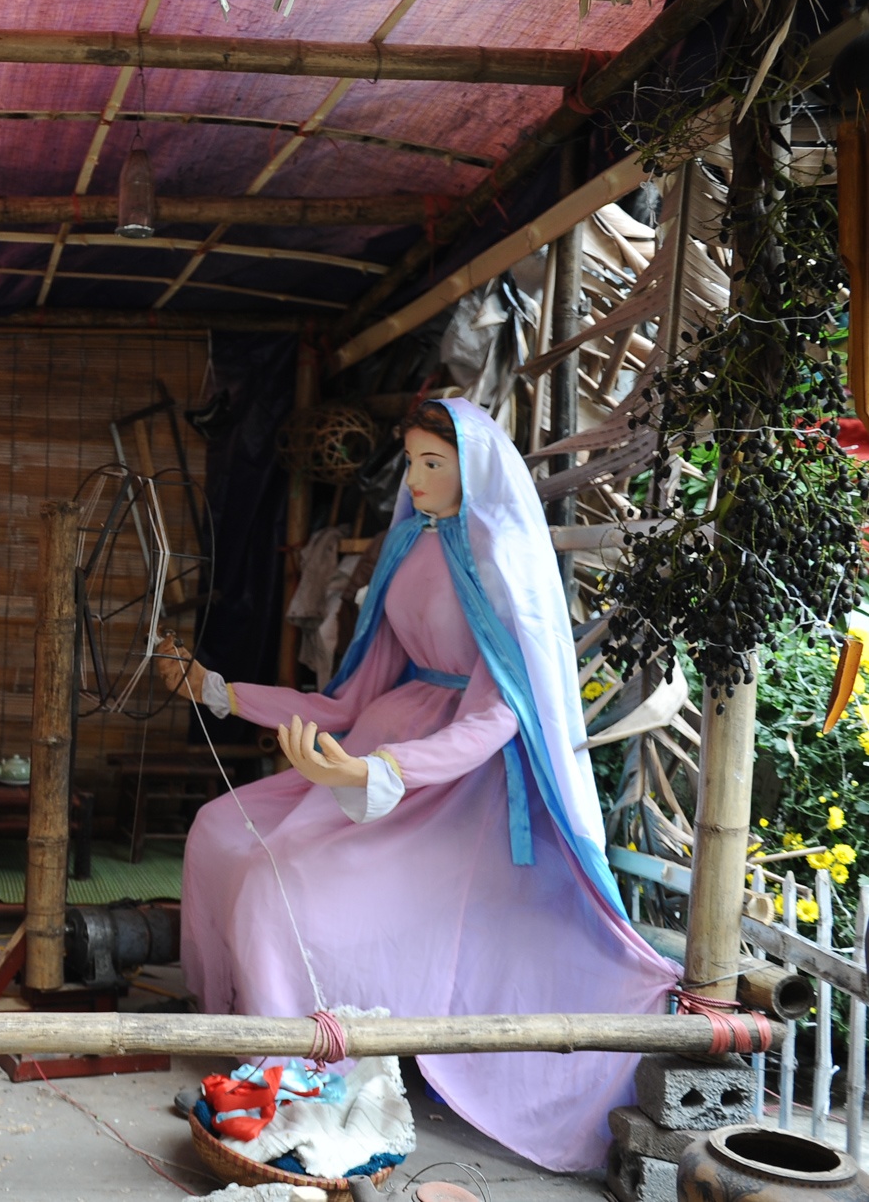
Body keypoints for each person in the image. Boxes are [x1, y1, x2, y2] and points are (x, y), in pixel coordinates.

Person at [157, 398, 679, 1173]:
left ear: (476, 468)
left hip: (456, 785)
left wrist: (380, 771)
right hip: (377, 740)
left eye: (434, 463)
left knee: (278, 886)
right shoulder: (409, 541)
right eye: (411, 462)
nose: (416, 478)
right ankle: (244, 1036)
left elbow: (502, 712)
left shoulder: (498, 554)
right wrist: (218, 691)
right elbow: (346, 696)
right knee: (219, 830)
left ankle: (299, 1076)